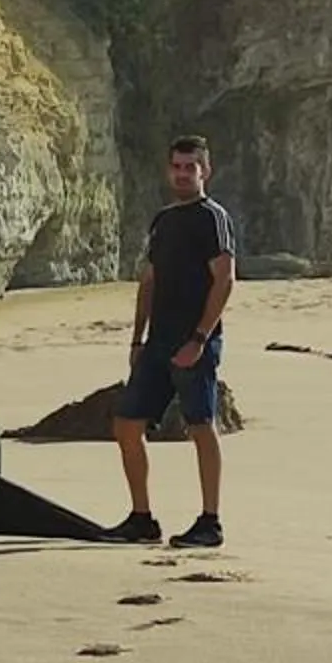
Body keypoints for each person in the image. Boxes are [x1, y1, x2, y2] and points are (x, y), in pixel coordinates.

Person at [108, 134, 237, 548]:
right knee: (127, 424)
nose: (183, 174)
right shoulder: (162, 220)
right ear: (169, 170)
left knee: (200, 424)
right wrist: (136, 339)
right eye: (177, 167)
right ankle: (141, 517)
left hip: (194, 340)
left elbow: (225, 279)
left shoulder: (212, 217)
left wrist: (199, 338)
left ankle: (210, 521)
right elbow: (150, 281)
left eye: (191, 167)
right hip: (157, 341)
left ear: (205, 171)